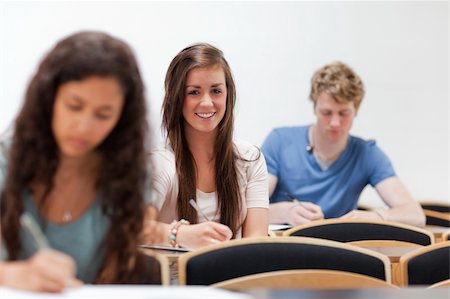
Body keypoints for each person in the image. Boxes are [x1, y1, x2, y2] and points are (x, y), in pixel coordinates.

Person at [0, 31, 158, 292]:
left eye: (103, 114)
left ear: (122, 118)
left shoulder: (129, 175)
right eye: (74, 106)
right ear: (49, 99)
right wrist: (13, 275)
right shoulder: (6, 161)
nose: (84, 127)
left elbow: (114, 281)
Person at [261, 62, 425, 227]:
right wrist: (285, 212)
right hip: (285, 246)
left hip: (339, 249)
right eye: (326, 113)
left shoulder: (367, 154)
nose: (335, 122)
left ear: (355, 111)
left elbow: (415, 215)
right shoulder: (280, 142)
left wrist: (375, 216)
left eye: (343, 113)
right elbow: (247, 210)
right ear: (315, 107)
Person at [149, 43, 269, 249]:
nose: (207, 103)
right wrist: (180, 234)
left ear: (228, 95)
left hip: (231, 278)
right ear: (177, 98)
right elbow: (130, 229)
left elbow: (256, 242)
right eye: (194, 92)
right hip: (172, 279)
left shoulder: (249, 158)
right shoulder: (159, 162)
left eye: (216, 91)